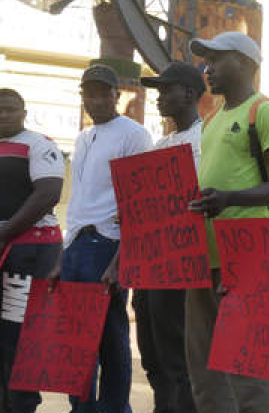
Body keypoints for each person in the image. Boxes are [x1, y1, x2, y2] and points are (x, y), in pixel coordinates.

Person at [186, 33, 269, 413]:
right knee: (204, 370)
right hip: (203, 257)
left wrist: (229, 200)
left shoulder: (263, 111)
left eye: (216, 60)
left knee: (249, 369)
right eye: (205, 61)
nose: (207, 69)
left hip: (244, 258)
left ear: (245, 63)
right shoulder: (211, 119)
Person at [51, 64, 153, 412]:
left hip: (107, 243)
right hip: (78, 245)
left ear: (117, 95)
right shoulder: (82, 138)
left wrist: (119, 261)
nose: (95, 99)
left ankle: (114, 409)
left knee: (110, 338)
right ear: (82, 98)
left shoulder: (135, 134)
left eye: (102, 92)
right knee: (75, 339)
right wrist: (63, 254)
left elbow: (139, 204)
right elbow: (79, 199)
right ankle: (80, 408)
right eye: (88, 93)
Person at [135, 63, 204, 413]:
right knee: (152, 354)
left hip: (180, 263)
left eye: (166, 90)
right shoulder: (161, 144)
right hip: (149, 261)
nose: (159, 98)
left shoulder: (205, 139)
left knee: (178, 357)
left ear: (189, 94)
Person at [0, 88, 64, 413]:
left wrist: (6, 231)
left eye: (10, 109)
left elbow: (48, 193)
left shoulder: (39, 145)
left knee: (20, 338)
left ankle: (22, 406)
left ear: (24, 112)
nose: (3, 115)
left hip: (27, 256)